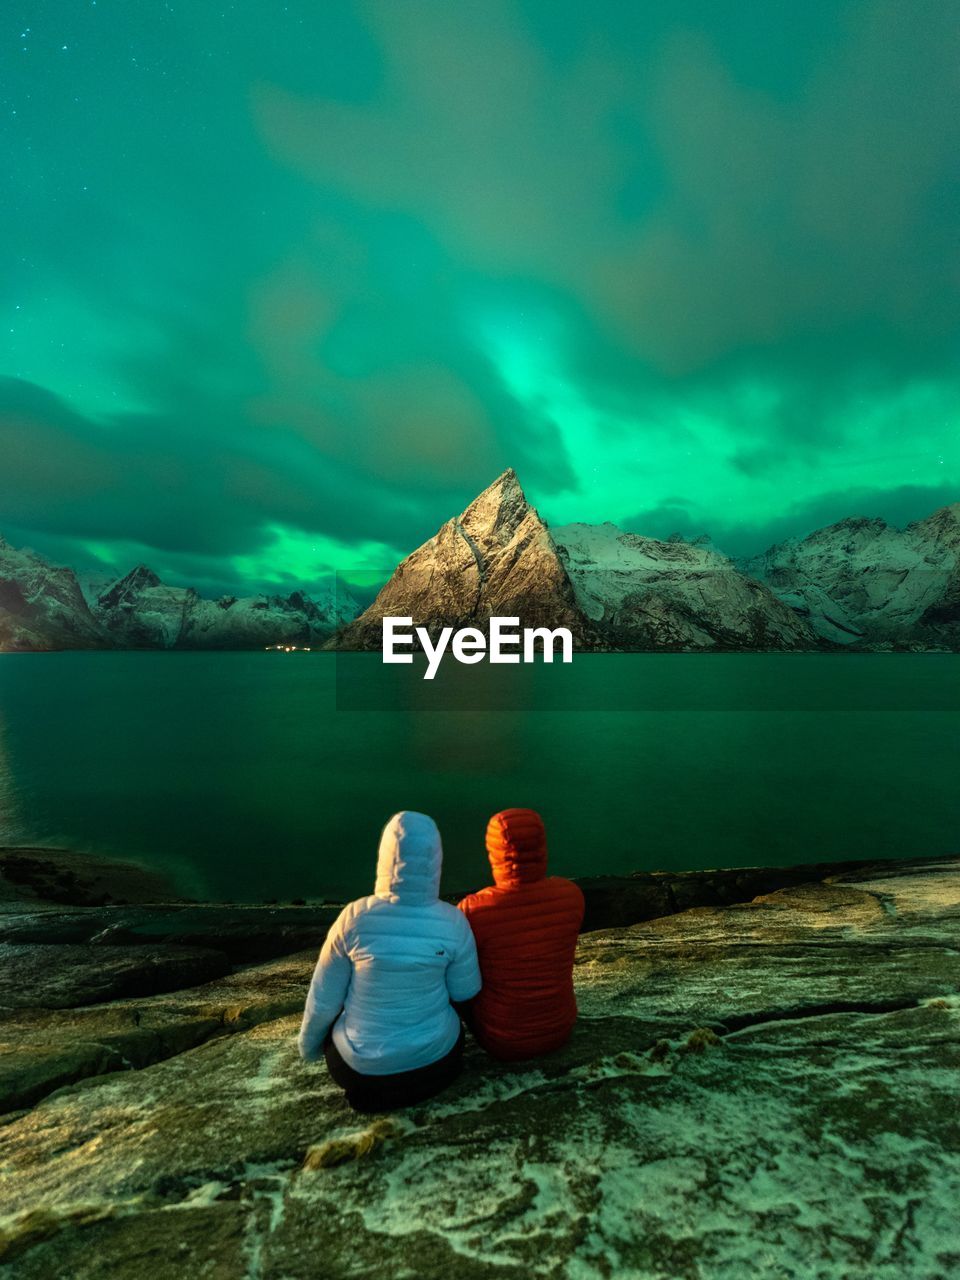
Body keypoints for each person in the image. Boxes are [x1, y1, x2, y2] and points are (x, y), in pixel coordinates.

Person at [298, 810, 482, 1112]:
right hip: (436, 1066)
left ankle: (373, 1096)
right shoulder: (453, 921)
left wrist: (309, 1049)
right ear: (435, 859)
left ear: (384, 857)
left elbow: (323, 999)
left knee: (343, 1037)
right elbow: (465, 991)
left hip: (360, 1072)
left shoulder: (354, 918)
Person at [458, 808, 584, 1061]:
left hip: (503, 1040)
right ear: (541, 846)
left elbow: (462, 988)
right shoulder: (571, 896)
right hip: (561, 1028)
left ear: (495, 853)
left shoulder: (474, 910)